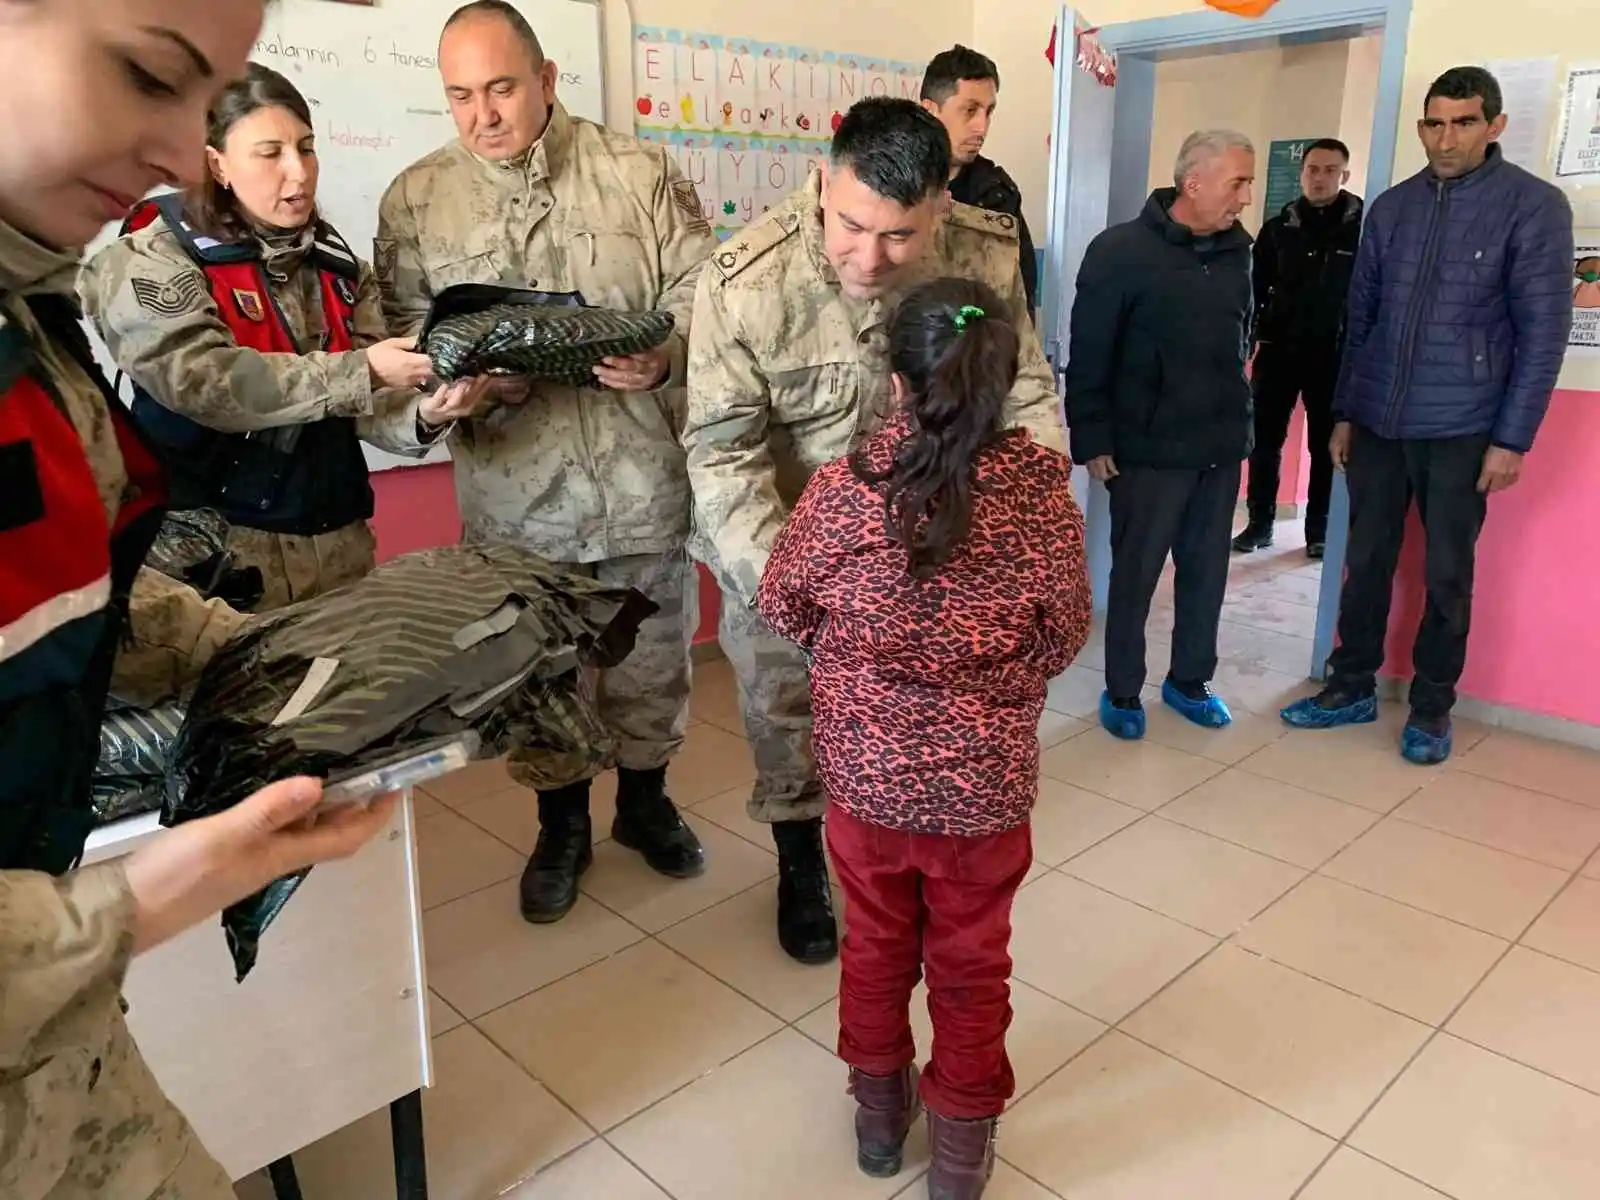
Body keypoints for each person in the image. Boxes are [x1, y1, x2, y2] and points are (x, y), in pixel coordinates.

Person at [0, 2, 399, 1196]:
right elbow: (213, 386)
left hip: (53, 1038)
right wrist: (151, 894)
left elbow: (73, 602)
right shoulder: (133, 262)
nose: (182, 154)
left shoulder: (33, 310)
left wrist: (267, 656)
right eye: (148, 75)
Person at [685, 96, 1067, 965]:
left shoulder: (985, 250)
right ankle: (796, 861)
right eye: (851, 225)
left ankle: (917, 862)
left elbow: (1028, 392)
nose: (868, 256)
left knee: (935, 737)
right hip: (790, 555)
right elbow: (720, 455)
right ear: (824, 181)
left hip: (951, 553)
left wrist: (1029, 527)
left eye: (899, 237)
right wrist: (797, 592)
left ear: (939, 207)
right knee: (786, 710)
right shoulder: (746, 282)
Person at [375, 0, 719, 925]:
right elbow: (398, 350)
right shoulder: (415, 199)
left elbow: (700, 289)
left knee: (652, 662)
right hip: (516, 503)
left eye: (499, 88)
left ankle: (645, 804)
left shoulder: (638, 171)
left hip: (640, 481)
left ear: (547, 80)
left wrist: (666, 352)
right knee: (541, 679)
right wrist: (449, 393)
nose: (482, 114)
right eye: (459, 96)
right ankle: (559, 823)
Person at [756, 277, 1090, 1199]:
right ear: (1004, 383)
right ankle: (959, 1151)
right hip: (983, 794)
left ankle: (876, 1116)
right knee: (972, 962)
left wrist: (855, 663)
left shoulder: (842, 491)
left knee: (873, 944)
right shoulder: (1041, 501)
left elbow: (784, 602)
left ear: (895, 383)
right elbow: (1063, 634)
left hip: (865, 786)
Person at [81, 64, 485, 614]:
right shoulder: (151, 260)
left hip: (340, 554)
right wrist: (363, 369)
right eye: (269, 153)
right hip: (214, 571)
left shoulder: (341, 270)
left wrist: (430, 411)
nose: (298, 173)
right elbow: (204, 385)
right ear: (216, 163)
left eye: (307, 147)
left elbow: (370, 406)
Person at [1282, 67, 1572, 764]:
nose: (1446, 138)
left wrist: (1512, 438)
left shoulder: (1533, 208)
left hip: (1465, 427)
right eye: (1433, 123)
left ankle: (1433, 708)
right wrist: (1346, 410)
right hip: (1380, 418)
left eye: (1463, 122)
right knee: (1367, 560)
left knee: (1446, 572)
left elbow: (1543, 331)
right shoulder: (1392, 207)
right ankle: (1350, 685)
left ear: (1494, 125)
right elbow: (1364, 318)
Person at [1065, 129, 1256, 741]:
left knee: (1206, 574)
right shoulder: (1119, 251)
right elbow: (1090, 352)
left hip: (1220, 448)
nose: (1246, 198)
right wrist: (1091, 437)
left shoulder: (1238, 252)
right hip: (1145, 452)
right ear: (1193, 183)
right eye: (1238, 183)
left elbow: (1241, 338)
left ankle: (1189, 681)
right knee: (1136, 576)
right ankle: (1123, 689)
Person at [1232, 137, 1363, 560]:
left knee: (1324, 448)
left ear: (1344, 175)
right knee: (1264, 442)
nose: (1320, 178)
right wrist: (1250, 340)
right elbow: (1252, 291)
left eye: (1330, 170)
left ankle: (1319, 531)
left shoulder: (1363, 226)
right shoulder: (1279, 227)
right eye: (1313, 170)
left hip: (1335, 356)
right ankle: (1259, 523)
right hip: (1279, 352)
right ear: (1302, 173)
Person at [919, 45, 1038, 319]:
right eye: (970, 110)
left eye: (989, 111)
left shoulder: (997, 194)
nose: (981, 127)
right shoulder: (892, 184)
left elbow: (1021, 300)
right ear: (929, 111)